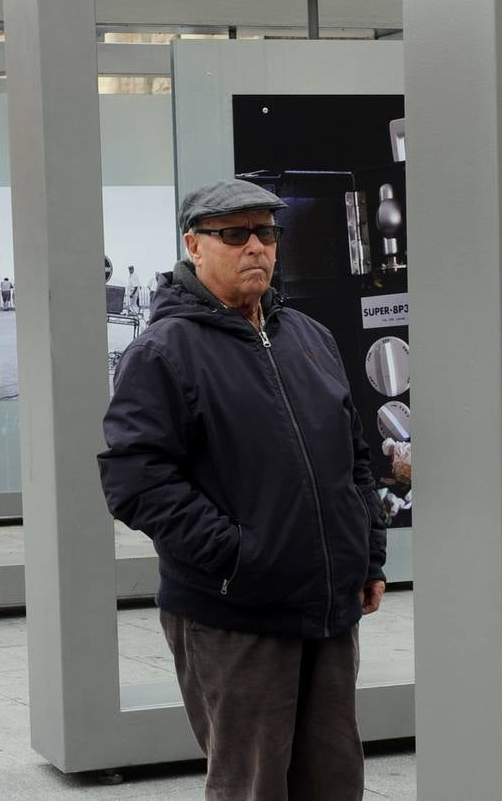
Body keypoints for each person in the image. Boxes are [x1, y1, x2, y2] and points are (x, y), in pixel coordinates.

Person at [99, 179, 385, 801]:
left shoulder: (310, 337)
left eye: (267, 233)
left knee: (335, 780)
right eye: (235, 235)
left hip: (327, 609)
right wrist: (238, 556)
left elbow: (353, 455)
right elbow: (137, 483)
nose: (256, 247)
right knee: (252, 785)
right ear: (193, 247)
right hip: (236, 615)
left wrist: (368, 553)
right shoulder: (162, 353)